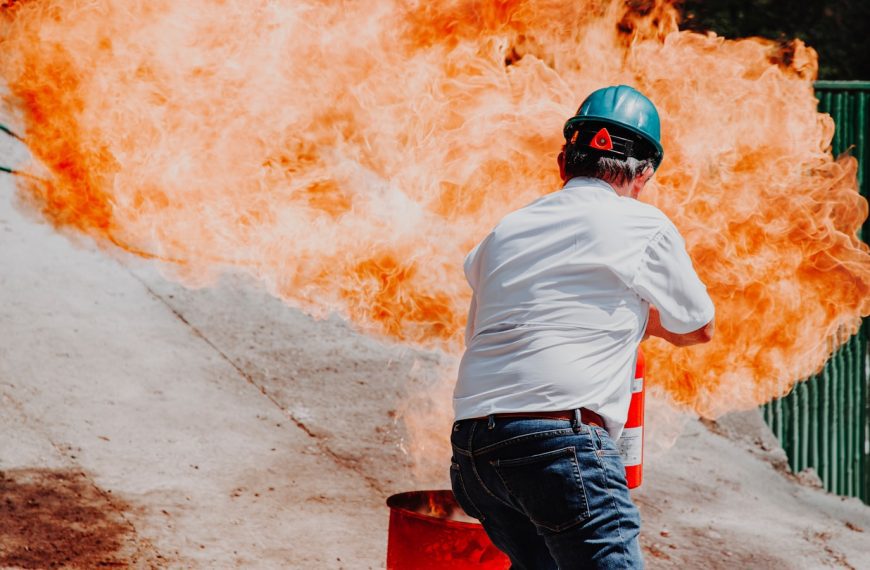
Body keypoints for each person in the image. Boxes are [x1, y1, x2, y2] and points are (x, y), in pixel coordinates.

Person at [449, 85, 715, 569]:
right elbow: (698, 325)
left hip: (474, 454)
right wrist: (641, 318)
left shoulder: (506, 229)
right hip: (560, 446)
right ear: (644, 174)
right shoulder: (642, 224)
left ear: (563, 163)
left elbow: (487, 301)